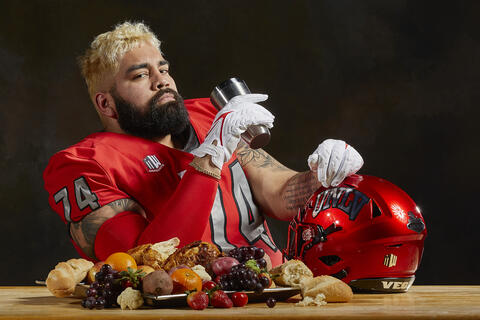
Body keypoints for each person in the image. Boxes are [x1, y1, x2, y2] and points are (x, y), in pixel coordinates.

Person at [43, 22, 363, 267]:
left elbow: (279, 193)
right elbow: (143, 267)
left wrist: (323, 175)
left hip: (273, 288)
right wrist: (211, 156)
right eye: (141, 76)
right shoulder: (85, 163)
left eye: (163, 69)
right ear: (106, 104)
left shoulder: (211, 115)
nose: (162, 80)